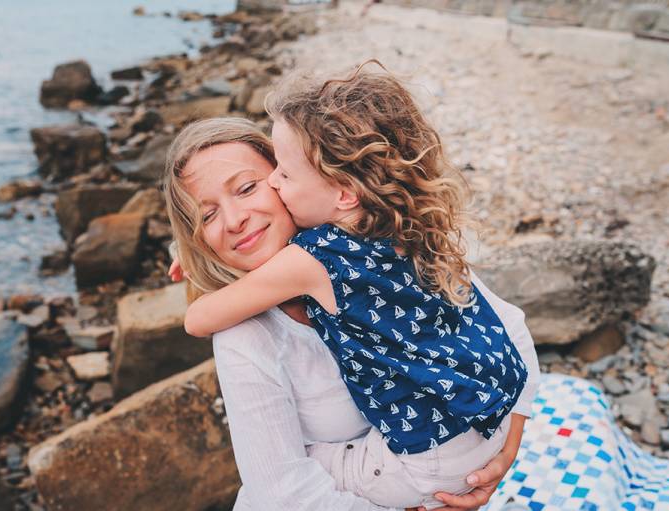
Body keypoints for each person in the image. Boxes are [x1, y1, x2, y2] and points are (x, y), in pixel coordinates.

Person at [177, 63, 539, 510]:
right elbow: (283, 492)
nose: (234, 220)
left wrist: (503, 455)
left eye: (254, 185)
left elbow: (509, 327)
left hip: (429, 472)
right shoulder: (248, 332)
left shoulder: (356, 246)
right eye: (207, 215)